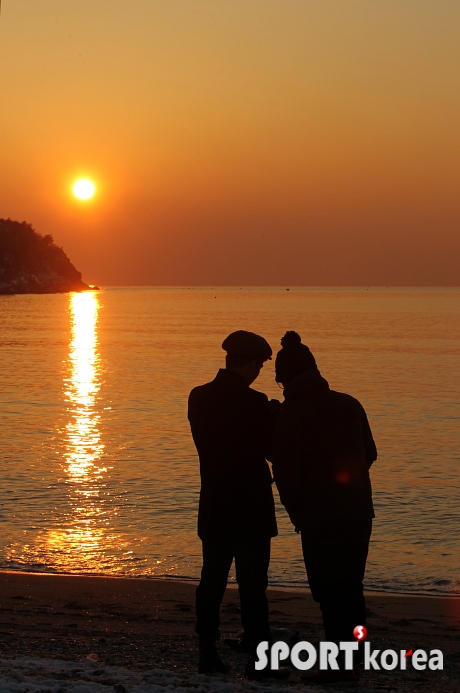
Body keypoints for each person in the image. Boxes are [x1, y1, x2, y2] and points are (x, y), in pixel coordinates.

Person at [272, 331, 377, 685]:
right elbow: (370, 454)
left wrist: (298, 511)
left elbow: (285, 472)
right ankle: (357, 655)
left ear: (284, 379)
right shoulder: (350, 403)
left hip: (320, 517)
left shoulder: (291, 415)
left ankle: (340, 666)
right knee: (352, 587)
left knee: (330, 594)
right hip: (360, 512)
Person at [188, 330, 285, 678]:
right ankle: (259, 659)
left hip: (214, 501)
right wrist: (275, 417)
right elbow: (271, 451)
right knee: (253, 586)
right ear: (249, 364)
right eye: (259, 364)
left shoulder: (198, 397)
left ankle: (207, 651)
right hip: (251, 505)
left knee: (211, 579)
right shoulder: (255, 403)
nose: (260, 370)